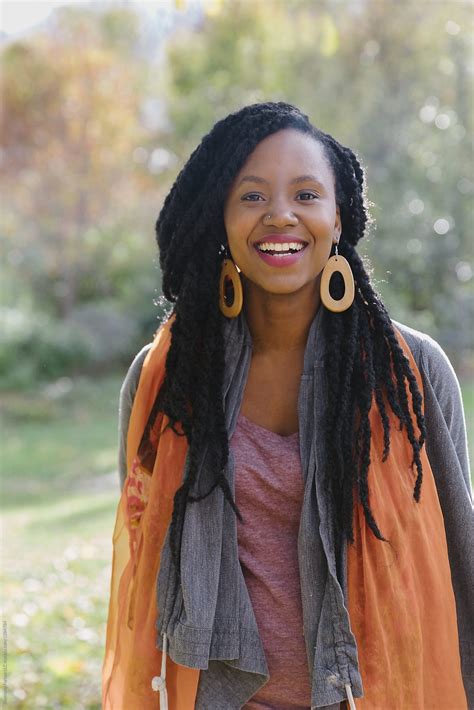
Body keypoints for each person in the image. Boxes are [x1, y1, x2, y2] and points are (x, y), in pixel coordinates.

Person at [102, 102, 473, 710]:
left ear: (338, 215)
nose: (280, 215)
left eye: (306, 193)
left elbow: (458, 561)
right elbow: (145, 571)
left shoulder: (413, 373)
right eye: (251, 197)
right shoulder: (164, 380)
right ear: (218, 218)